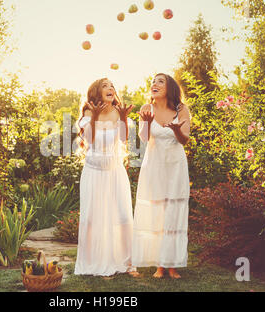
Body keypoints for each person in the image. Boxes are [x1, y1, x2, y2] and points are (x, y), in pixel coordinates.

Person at [74, 77, 136, 277]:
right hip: (94, 172)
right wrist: (94, 118)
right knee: (91, 218)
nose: (111, 88)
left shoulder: (118, 112)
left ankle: (127, 262)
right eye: (105, 85)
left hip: (115, 171)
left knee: (124, 216)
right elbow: (90, 140)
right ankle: (91, 261)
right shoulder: (88, 112)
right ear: (97, 92)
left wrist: (124, 118)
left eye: (112, 85)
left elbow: (124, 139)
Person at [132, 73, 191, 279]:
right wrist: (146, 123)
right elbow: (144, 138)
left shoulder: (181, 109)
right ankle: (159, 264)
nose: (154, 84)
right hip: (154, 165)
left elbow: (184, 140)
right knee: (157, 212)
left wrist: (176, 131)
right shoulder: (146, 109)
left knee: (173, 213)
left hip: (175, 166)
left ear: (170, 88)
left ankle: (172, 264)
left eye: (160, 81)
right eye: (152, 82)